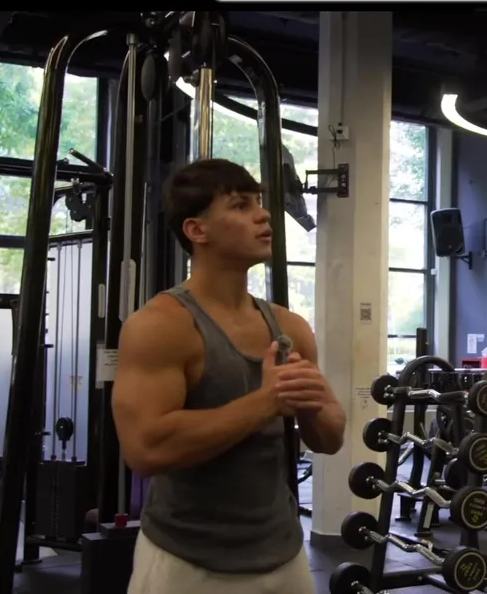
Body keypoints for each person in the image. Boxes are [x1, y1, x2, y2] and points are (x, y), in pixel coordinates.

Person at [112, 159, 348, 594]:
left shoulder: (289, 327)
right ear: (196, 230)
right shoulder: (162, 325)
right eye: (241, 206)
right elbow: (145, 448)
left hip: (283, 552)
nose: (264, 215)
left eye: (259, 202)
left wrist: (312, 405)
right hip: (186, 559)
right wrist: (266, 402)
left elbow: (330, 438)